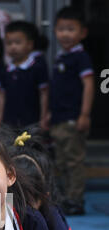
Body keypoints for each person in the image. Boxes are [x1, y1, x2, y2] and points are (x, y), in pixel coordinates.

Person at [49, 7, 95, 216]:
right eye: (61, 29)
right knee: (61, 160)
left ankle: (76, 199)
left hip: (73, 117)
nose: (65, 34)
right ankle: (67, 197)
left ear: (82, 33)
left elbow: (88, 84)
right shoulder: (61, 57)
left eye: (71, 29)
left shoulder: (81, 57)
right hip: (58, 117)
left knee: (74, 160)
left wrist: (84, 114)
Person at [2, 21, 49, 129]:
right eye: (9, 43)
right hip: (9, 122)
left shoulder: (37, 66)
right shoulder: (6, 69)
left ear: (29, 44)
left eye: (17, 43)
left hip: (32, 121)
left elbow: (44, 93)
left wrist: (44, 117)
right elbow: (2, 96)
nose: (13, 47)